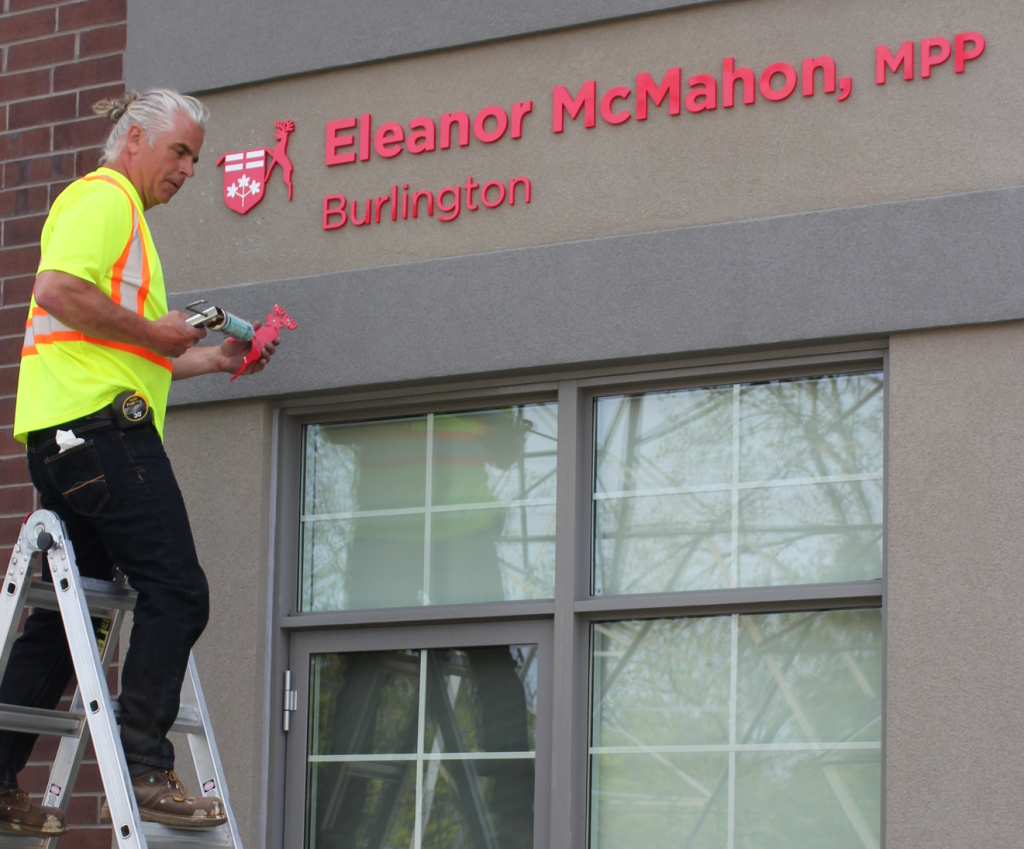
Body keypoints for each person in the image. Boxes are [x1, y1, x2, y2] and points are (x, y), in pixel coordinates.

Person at [0, 89, 279, 837]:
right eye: (179, 150)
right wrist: (156, 334)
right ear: (132, 141)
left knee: (73, 622)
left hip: (66, 433)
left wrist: (212, 359)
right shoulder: (105, 198)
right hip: (100, 433)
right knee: (178, 589)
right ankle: (147, 768)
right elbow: (57, 292)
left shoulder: (124, 226)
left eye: (195, 156)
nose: (188, 169)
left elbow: (128, 346)